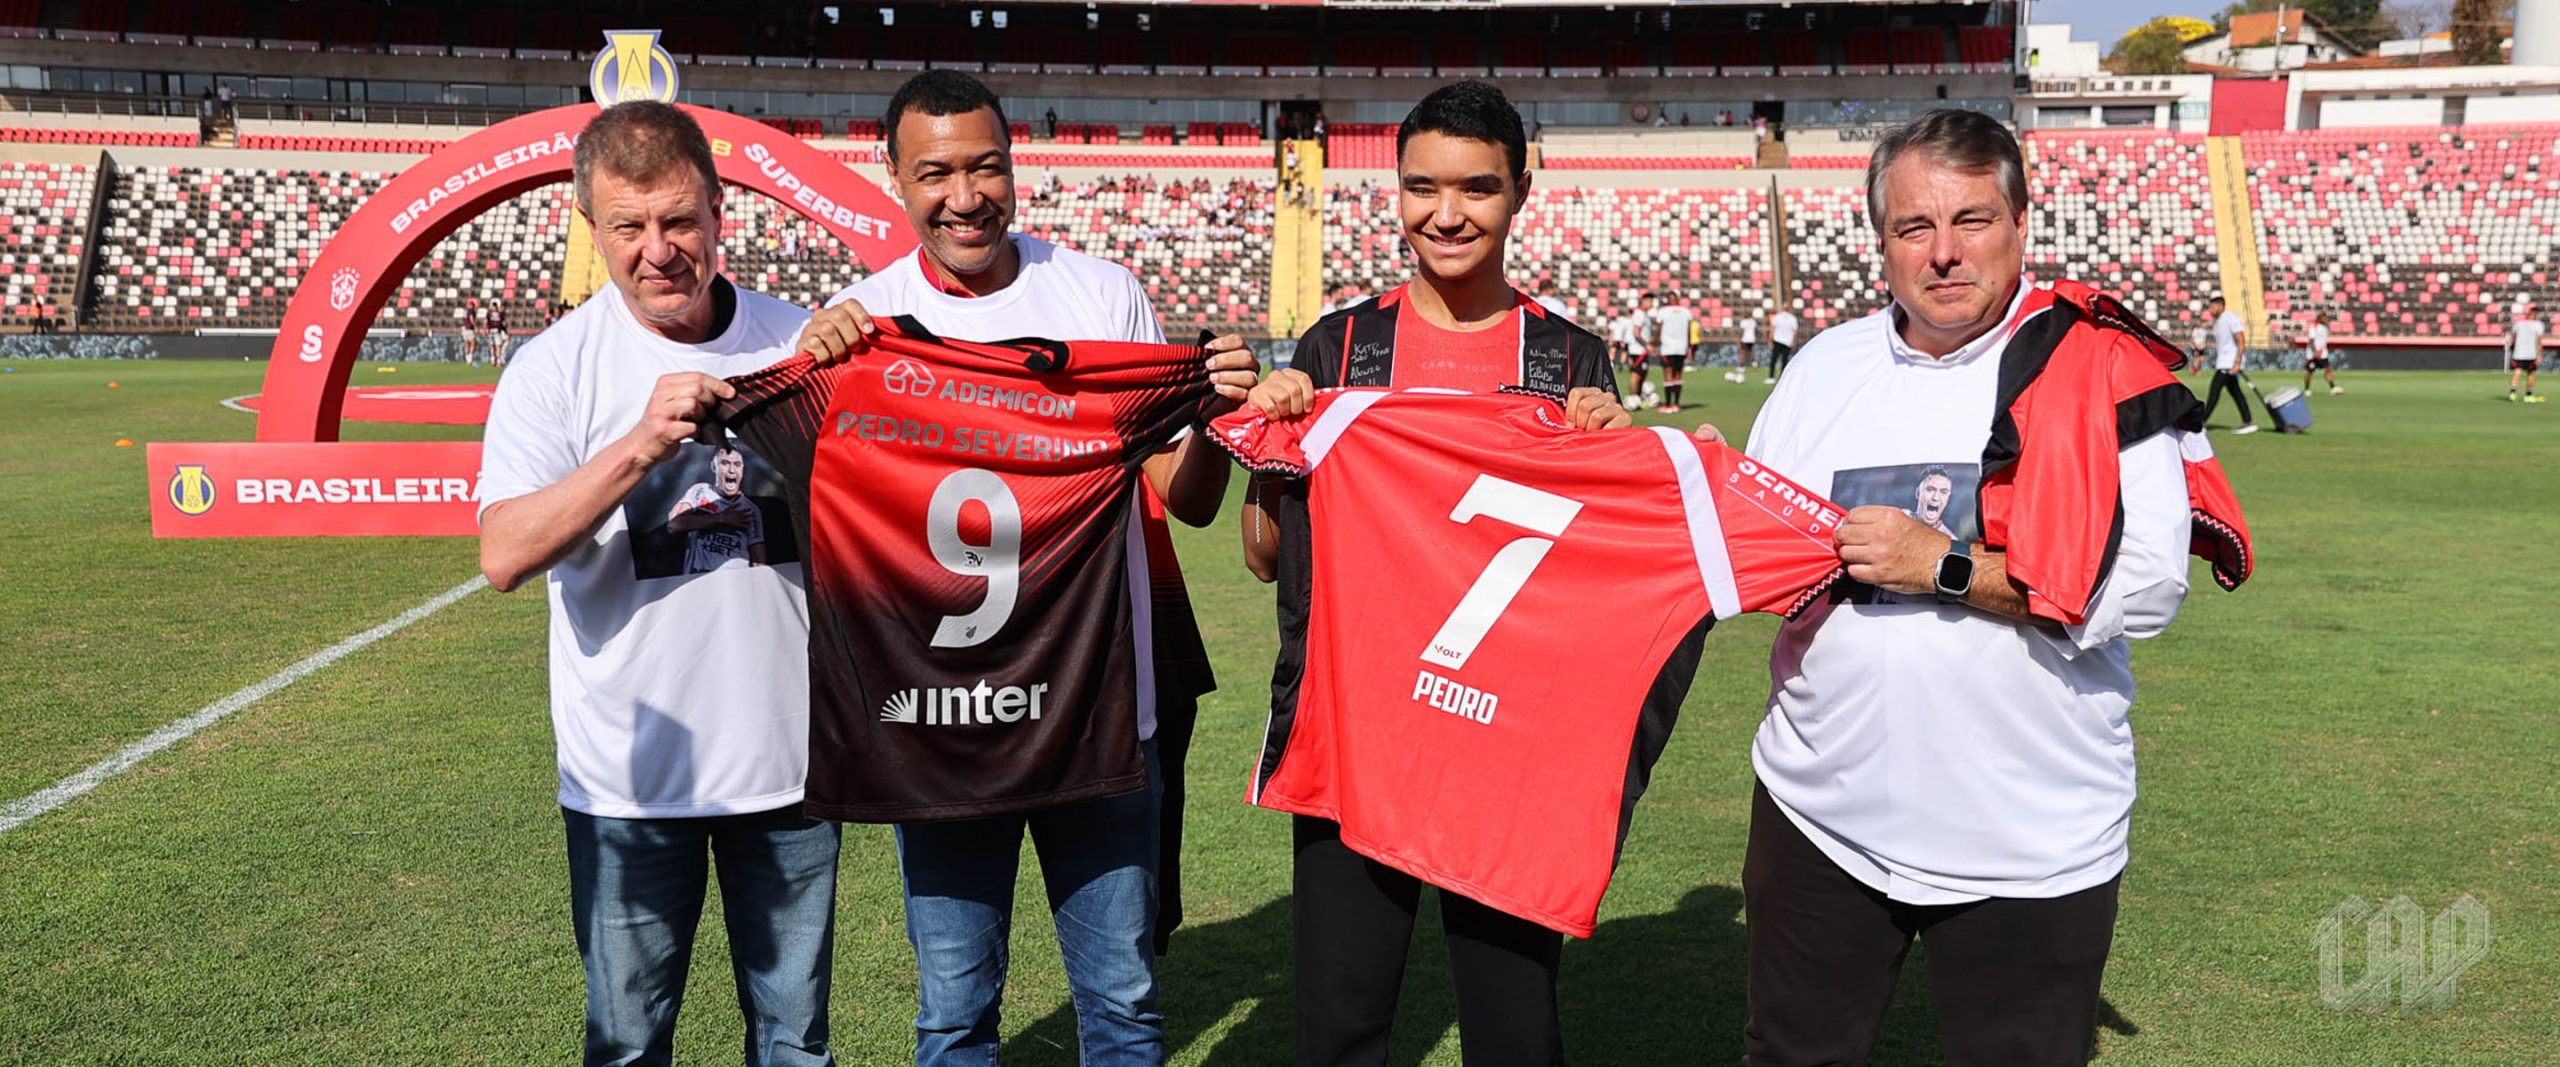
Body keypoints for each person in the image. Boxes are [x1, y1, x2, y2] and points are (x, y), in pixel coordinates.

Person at [1732, 108, 2246, 1067]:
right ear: (1881, 239)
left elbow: (2145, 589)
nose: (1943, 252)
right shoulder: (1821, 367)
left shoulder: (2100, 365)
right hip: (1818, 811)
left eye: (1971, 219)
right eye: (1913, 227)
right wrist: (1658, 471)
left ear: (2019, 222)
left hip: (2029, 832)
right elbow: (1758, 543)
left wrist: (1946, 565)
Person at [782, 70, 1258, 1066]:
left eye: (986, 166)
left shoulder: (1100, 294)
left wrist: (1210, 414)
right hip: (941, 726)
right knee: (953, 1013)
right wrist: (812, 368)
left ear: (1014, 165)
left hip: (1095, 713)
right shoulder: (860, 322)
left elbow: (1190, 496)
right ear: (895, 179)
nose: (966, 196)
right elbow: (806, 500)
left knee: (1123, 1002)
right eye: (935, 173)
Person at [1238, 79, 1629, 1067]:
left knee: (1515, 1029)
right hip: (1353, 732)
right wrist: (1275, 447)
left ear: (1520, 192)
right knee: (1341, 1023)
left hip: (1507, 743)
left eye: (1476, 188)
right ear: (1396, 189)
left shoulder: (1569, 358)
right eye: (1422, 187)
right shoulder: (1339, 345)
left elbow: (1603, 580)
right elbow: (1264, 554)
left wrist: (1615, 453)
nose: (1445, 214)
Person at [475, 100, 840, 1067]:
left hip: (788, 767)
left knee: (795, 1043)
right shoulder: (553, 369)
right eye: (628, 226)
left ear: (720, 211)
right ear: (591, 229)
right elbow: (504, 553)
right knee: (630, 1045)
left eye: (679, 219)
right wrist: (639, 447)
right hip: (628, 784)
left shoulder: (799, 345)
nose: (658, 250)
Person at [669, 444, 767, 573]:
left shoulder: (750, 509)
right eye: (725, 463)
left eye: (737, 464)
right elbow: (674, 525)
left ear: (743, 469)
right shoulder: (700, 491)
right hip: (700, 578)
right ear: (714, 467)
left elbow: (759, 561)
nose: (732, 470)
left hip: (735, 579)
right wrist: (721, 518)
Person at [2201, 296, 2259, 433]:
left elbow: (2241, 341)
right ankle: (2248, 421)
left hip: (2229, 363)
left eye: (2212, 307)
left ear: (2220, 306)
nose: (2210, 310)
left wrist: (2237, 363)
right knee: (2236, 393)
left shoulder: (2230, 318)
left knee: (2214, 391)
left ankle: (2201, 422)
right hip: (2224, 362)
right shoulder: (2218, 321)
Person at [1652, 289, 1694, 412]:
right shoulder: (1686, 312)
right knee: (1678, 375)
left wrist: (1654, 344)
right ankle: (1676, 404)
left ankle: (1668, 405)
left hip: (1667, 347)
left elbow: (1658, 330)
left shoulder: (1663, 312)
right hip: (1682, 347)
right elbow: (1688, 331)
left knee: (1668, 375)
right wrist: (1689, 347)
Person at [2507, 301, 2546, 403]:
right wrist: (2540, 354)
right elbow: (2538, 341)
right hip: (2531, 353)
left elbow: (2513, 339)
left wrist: (2513, 349)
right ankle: (2528, 395)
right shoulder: (2538, 325)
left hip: (2518, 352)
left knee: (2517, 371)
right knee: (2531, 373)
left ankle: (2513, 393)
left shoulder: (2518, 324)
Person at [1907, 464, 1957, 538]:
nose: (1935, 498)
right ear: (1918, 493)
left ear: (1948, 499)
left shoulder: (1950, 541)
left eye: (1943, 492)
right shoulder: (1898, 519)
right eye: (1930, 490)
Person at [2302, 311, 2341, 395]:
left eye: (2327, 318)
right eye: (2324, 318)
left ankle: (2333, 388)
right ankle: (2307, 389)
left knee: (2327, 369)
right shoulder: (2314, 326)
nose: (2326, 319)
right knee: (2310, 371)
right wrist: (2315, 352)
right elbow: (2311, 341)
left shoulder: (2325, 327)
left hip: (2322, 353)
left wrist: (2321, 351)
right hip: (2312, 354)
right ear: (2320, 318)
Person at [1768, 302, 1800, 382]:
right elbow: (1794, 332)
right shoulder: (1793, 318)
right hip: (1787, 342)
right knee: (1784, 361)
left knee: (1774, 359)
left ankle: (1771, 377)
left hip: (1778, 341)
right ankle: (1782, 378)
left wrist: (1770, 340)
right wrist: (1794, 342)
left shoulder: (1777, 317)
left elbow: (1772, 329)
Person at [1729, 310, 1758, 383]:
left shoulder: (1743, 322)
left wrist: (1739, 338)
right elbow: (1756, 330)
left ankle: (1742, 366)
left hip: (1745, 339)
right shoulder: (1753, 321)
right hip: (1752, 338)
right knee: (1751, 351)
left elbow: (1742, 331)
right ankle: (1754, 363)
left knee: (1743, 352)